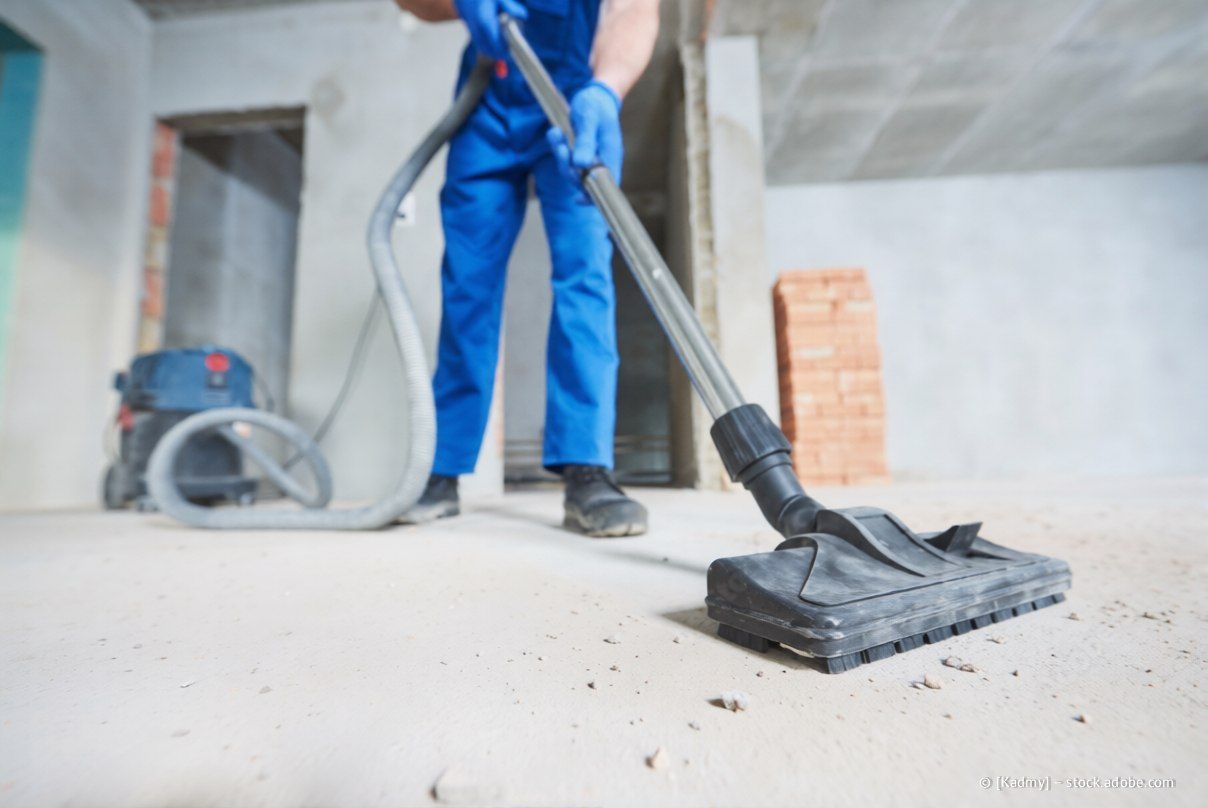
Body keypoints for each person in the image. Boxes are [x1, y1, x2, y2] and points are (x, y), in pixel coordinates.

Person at [394, 0, 661, 536]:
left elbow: (634, 6)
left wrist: (606, 88)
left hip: (570, 101)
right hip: (487, 104)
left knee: (584, 277)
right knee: (467, 285)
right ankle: (442, 469)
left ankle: (588, 470)